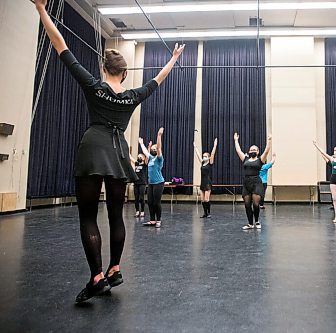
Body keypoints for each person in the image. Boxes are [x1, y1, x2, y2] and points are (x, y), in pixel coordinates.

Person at [34, 0, 185, 303]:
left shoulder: (94, 86)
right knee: (117, 215)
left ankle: (97, 276)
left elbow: (60, 45)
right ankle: (114, 268)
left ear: (103, 69)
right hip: (118, 154)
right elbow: (158, 80)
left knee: (89, 217)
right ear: (125, 74)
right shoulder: (131, 96)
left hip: (93, 149)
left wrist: (41, 10)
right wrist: (174, 58)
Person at [234, 133, 271, 230]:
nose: (252, 151)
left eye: (254, 150)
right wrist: (236, 140)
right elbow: (238, 150)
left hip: (256, 183)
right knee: (247, 204)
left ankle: (257, 221)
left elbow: (267, 151)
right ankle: (250, 223)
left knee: (255, 204)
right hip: (246, 183)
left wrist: (269, 140)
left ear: (258, 152)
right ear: (249, 151)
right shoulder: (245, 159)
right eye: (251, 149)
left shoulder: (260, 160)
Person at [139, 128, 166, 228]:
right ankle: (152, 220)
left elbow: (159, 148)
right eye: (152, 149)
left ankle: (158, 220)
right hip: (151, 183)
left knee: (156, 202)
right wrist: (141, 144)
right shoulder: (150, 158)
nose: (153, 150)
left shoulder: (159, 159)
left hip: (159, 183)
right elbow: (145, 152)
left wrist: (159, 135)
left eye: (155, 149)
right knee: (150, 202)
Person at [194, 138, 218, 218]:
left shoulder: (210, 163)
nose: (204, 157)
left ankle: (209, 213)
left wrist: (215, 145)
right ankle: (205, 213)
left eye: (205, 156)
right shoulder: (202, 163)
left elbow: (213, 154)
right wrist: (195, 147)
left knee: (207, 199)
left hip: (207, 182)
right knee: (203, 200)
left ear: (208, 157)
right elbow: (197, 155)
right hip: (202, 182)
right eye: (203, 156)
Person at [129, 152, 148, 218]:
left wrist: (147, 149)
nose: (139, 158)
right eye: (138, 157)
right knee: (136, 198)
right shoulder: (137, 163)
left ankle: (142, 211)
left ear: (143, 158)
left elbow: (147, 157)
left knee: (141, 198)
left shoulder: (145, 165)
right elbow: (131, 158)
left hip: (142, 183)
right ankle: (137, 211)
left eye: (140, 157)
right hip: (136, 183)